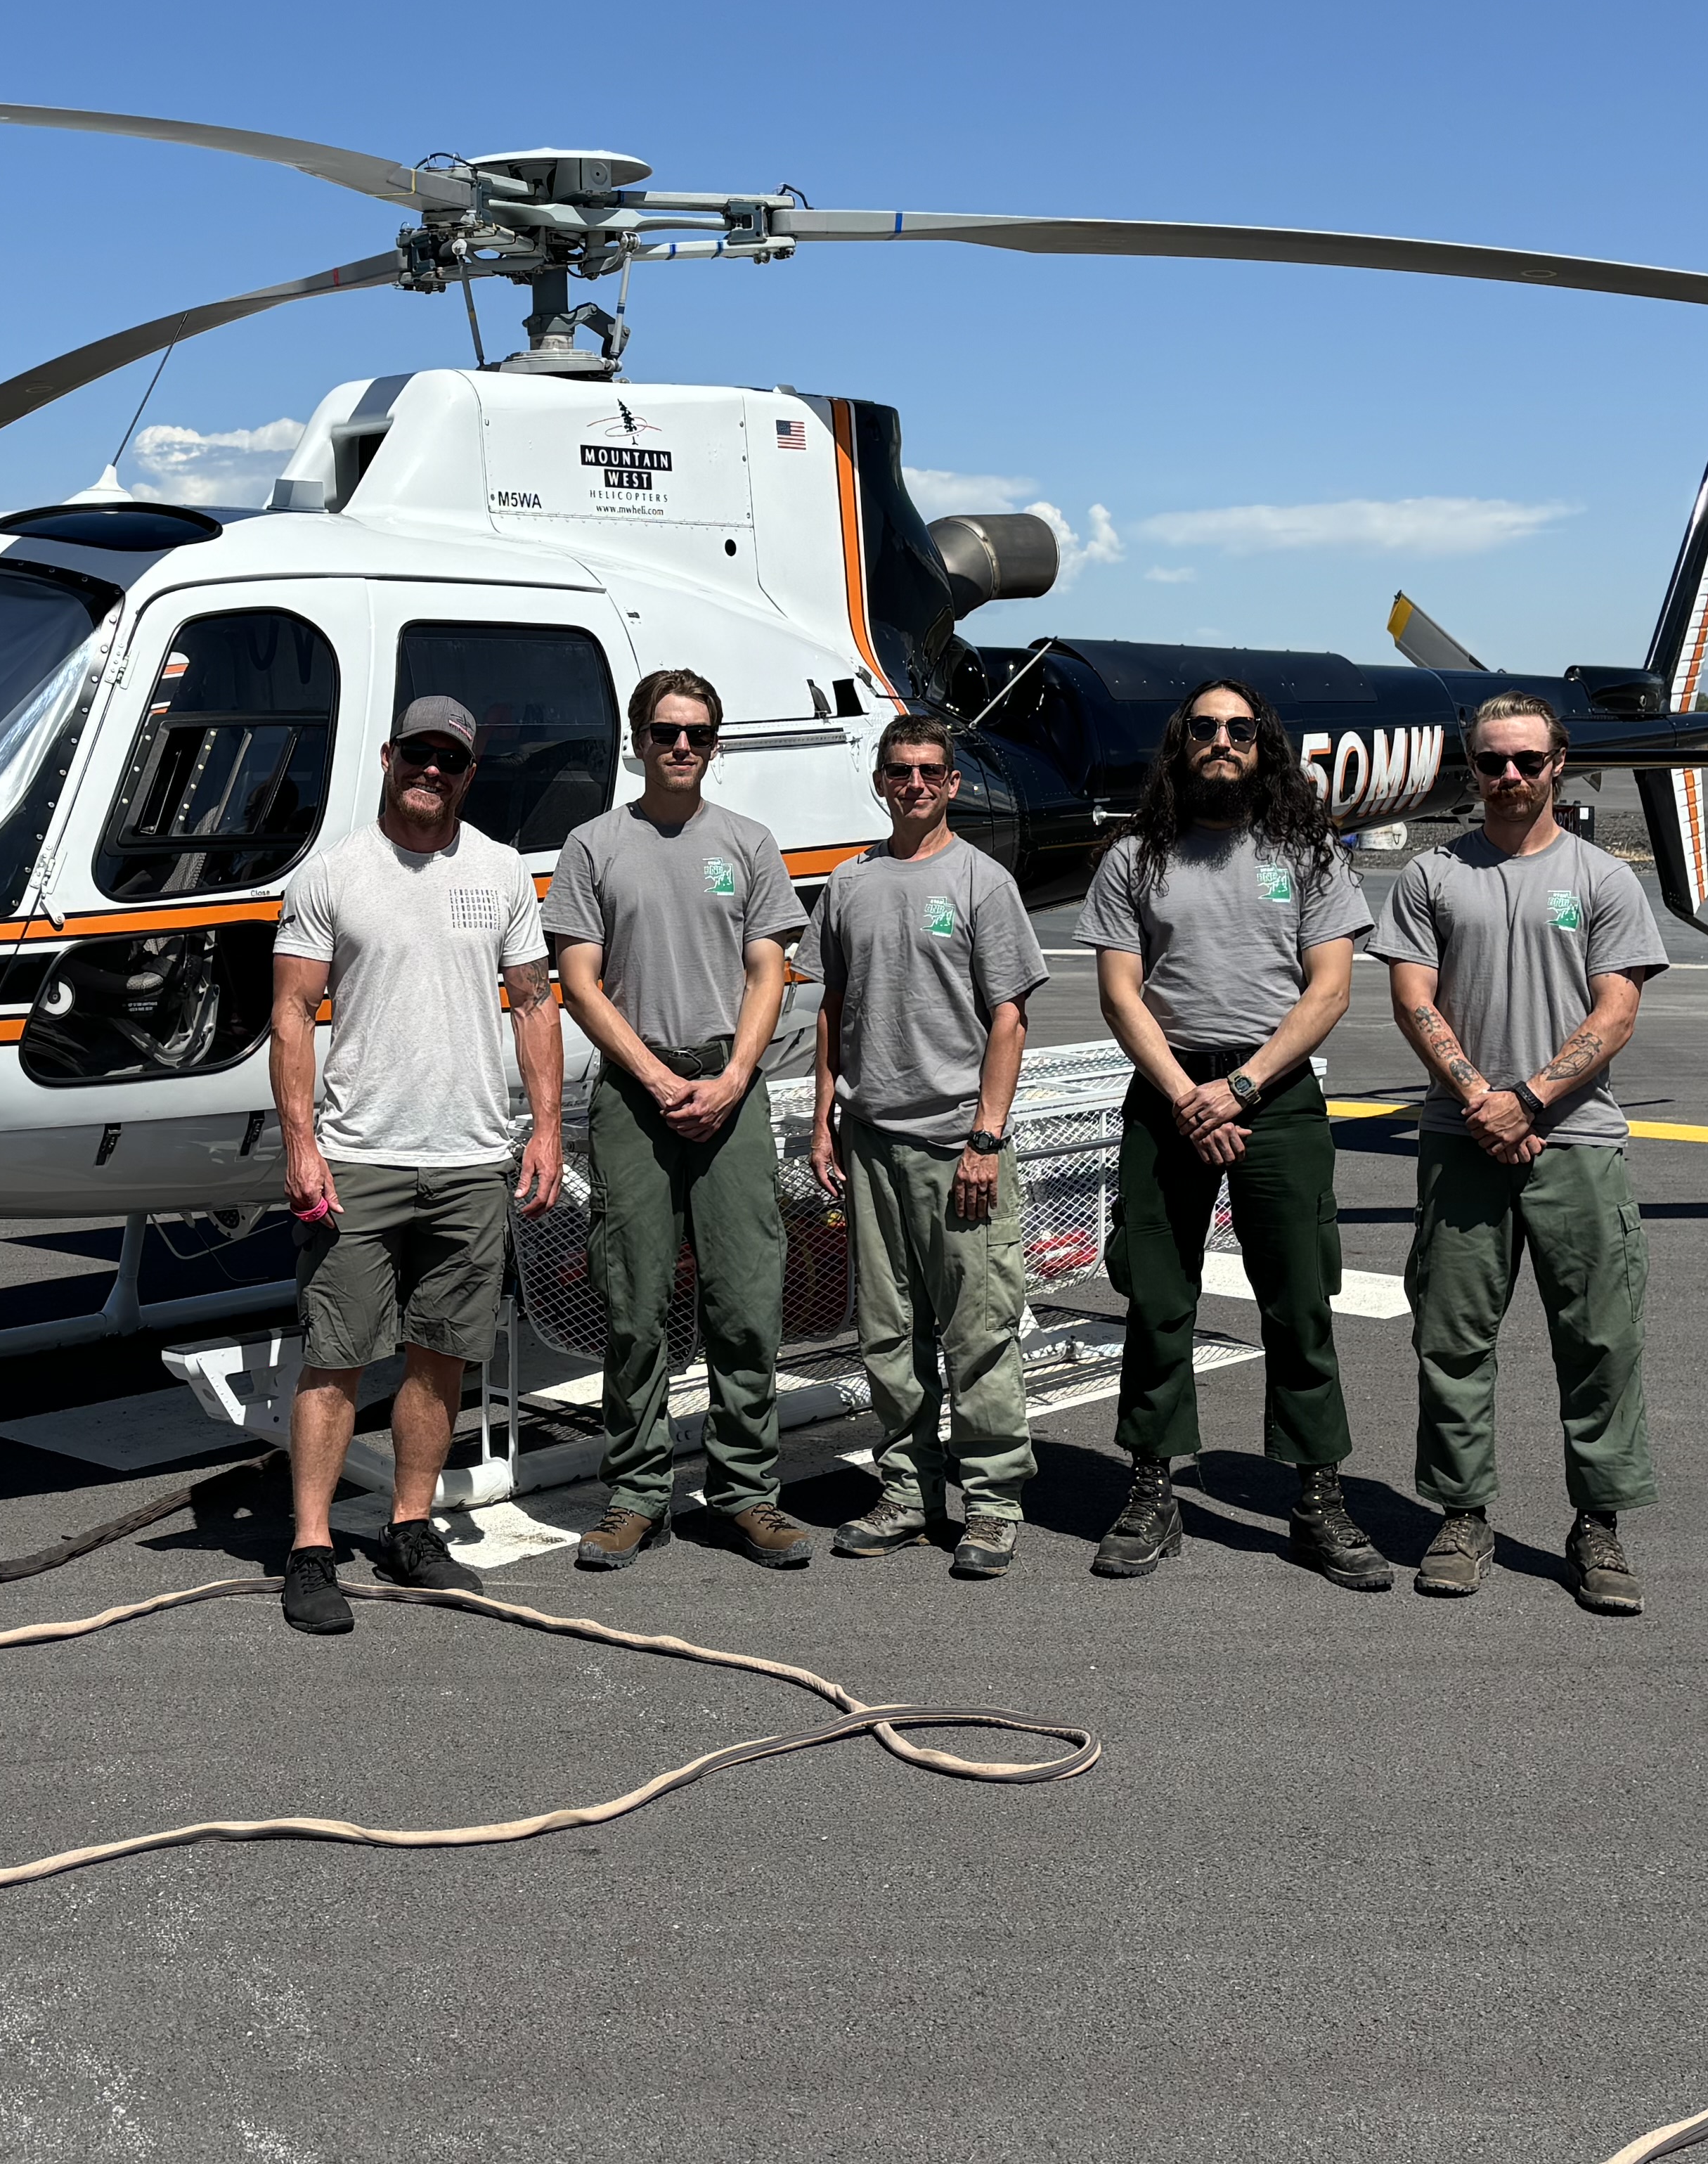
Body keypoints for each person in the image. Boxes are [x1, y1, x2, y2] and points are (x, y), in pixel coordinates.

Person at [266, 693, 567, 1637]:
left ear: (470, 772)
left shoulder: (502, 874)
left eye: (452, 759)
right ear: (391, 756)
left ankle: (411, 1526)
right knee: (336, 1356)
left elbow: (532, 1003)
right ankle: (311, 1546)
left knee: (442, 1356)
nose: (432, 770)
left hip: (473, 1156)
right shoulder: (335, 873)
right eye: (419, 754)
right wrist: (300, 1139)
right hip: (360, 1156)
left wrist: (546, 1128)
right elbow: (291, 1014)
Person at [1366, 690, 1669, 1616]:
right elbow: (1414, 996)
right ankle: (1463, 1515)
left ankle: (1600, 1523)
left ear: (1557, 764)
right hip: (1462, 1140)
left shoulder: (1604, 879)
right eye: (1491, 761)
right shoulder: (1431, 876)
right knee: (1452, 1337)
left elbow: (1616, 1011)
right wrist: (1478, 1099)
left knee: (1600, 1341)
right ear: (1473, 767)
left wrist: (1531, 1098)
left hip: (1576, 1140)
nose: (1507, 777)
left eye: (1525, 761)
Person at [1080, 679, 1389, 1587]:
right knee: (1157, 1297)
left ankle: (1318, 1499)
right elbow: (1118, 992)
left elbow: (1328, 990)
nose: (1222, 742)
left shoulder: (1309, 854)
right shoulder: (1134, 858)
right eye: (1206, 729)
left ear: (1264, 746)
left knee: (1299, 1303)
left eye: (1240, 730)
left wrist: (1243, 1087)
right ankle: (1151, 1490)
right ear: (1182, 744)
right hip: (1169, 1088)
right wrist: (1186, 1094)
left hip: (1276, 1095)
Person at [547, 667, 815, 1570]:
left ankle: (746, 1493)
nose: (682, 748)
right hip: (636, 1093)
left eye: (699, 734)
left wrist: (737, 1074)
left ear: (716, 743)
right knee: (633, 1300)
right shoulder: (593, 846)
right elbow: (579, 981)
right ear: (638, 739)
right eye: (666, 732)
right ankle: (635, 1495)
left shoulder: (748, 843)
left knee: (744, 1298)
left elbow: (769, 970)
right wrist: (657, 1078)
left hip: (730, 1088)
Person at [809, 710, 1047, 1578]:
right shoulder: (849, 883)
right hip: (870, 1139)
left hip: (958, 1142)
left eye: (930, 772)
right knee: (888, 1330)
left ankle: (991, 1502)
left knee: (978, 1328)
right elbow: (833, 1007)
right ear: (881, 781)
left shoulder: (982, 882)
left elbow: (1010, 1017)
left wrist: (987, 1135)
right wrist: (822, 1117)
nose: (914, 784)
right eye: (899, 771)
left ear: (952, 784)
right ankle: (909, 1489)